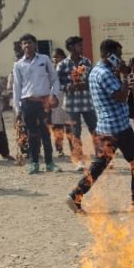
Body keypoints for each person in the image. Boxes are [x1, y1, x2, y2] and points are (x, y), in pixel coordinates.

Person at [67, 39, 134, 213]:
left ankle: (75, 195)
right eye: (118, 55)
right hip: (118, 127)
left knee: (99, 165)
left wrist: (121, 76)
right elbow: (120, 96)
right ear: (109, 55)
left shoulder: (96, 71)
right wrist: (125, 77)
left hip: (104, 126)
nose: (120, 58)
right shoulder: (105, 73)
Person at [12, 33, 61, 174]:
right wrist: (17, 108)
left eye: (30, 42)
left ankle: (50, 163)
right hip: (27, 103)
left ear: (35, 44)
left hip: (44, 102)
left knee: (45, 133)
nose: (27, 45)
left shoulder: (44, 59)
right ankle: (34, 163)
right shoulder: (18, 65)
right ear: (21, 46)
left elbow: (54, 79)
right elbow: (17, 87)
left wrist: (54, 94)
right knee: (31, 134)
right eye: (24, 43)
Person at [58, 36, 97, 170]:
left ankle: (101, 157)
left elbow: (92, 79)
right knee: (75, 132)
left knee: (95, 129)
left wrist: (86, 85)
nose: (82, 47)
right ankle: (79, 160)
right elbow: (57, 83)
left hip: (87, 102)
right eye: (79, 45)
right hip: (71, 104)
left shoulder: (86, 62)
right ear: (71, 47)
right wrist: (68, 87)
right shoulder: (62, 65)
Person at [49, 48, 79, 163]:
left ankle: (73, 149)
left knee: (69, 126)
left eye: (57, 57)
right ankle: (59, 149)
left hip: (67, 98)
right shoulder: (50, 70)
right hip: (56, 100)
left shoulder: (68, 68)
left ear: (63, 57)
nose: (55, 59)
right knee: (57, 127)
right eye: (53, 57)